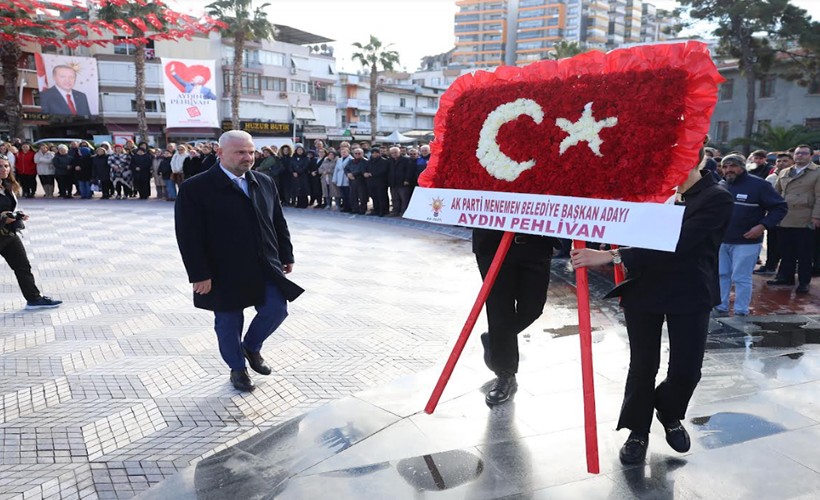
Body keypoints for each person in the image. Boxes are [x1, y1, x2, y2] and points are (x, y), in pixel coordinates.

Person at [571, 145, 733, 465]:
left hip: (690, 293)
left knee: (687, 370)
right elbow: (626, 223)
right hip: (645, 289)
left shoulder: (716, 197)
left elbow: (679, 244)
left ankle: (668, 411)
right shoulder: (656, 193)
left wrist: (611, 255)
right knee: (643, 365)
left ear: (695, 160)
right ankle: (637, 432)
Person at [175, 130, 304, 392]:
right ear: (220, 153)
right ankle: (238, 368)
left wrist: (286, 254)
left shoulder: (264, 182)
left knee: (276, 309)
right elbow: (188, 236)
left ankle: (251, 347)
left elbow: (278, 222)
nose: (248, 157)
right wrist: (199, 274)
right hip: (221, 271)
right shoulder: (195, 188)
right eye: (240, 152)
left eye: (251, 151)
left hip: (263, 264)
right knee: (228, 323)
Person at [474, 229, 557, 406]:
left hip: (536, 243)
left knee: (532, 308)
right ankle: (505, 373)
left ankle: (496, 338)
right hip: (493, 243)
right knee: (499, 310)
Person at [714, 153, 787, 316]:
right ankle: (720, 306)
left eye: (733, 166)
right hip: (722, 240)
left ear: (742, 166)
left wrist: (762, 226)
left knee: (741, 277)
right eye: (725, 166)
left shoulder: (759, 185)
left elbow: (780, 207)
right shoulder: (721, 185)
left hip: (747, 241)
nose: (728, 170)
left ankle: (741, 310)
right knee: (721, 274)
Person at [0, 154, 62, 310]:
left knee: (23, 266)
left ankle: (34, 299)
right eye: (0, 166)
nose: (4, 169)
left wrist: (16, 215)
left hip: (8, 234)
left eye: (6, 166)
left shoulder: (6, 186)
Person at [768, 144, 820, 294]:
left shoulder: (816, 172)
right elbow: (775, 194)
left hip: (805, 218)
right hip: (785, 217)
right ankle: (786, 277)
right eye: (797, 154)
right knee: (786, 251)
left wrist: (816, 216)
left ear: (811, 156)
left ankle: (804, 282)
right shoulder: (785, 172)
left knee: (804, 254)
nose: (800, 156)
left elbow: (819, 197)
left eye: (804, 153)